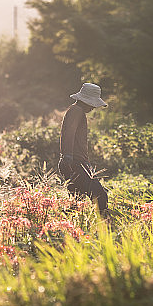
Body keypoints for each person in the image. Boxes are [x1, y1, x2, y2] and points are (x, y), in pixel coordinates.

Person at [58, 82, 109, 216]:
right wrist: (68, 156)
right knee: (100, 196)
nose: (93, 107)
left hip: (75, 161)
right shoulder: (76, 111)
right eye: (92, 104)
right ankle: (105, 225)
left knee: (76, 202)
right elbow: (69, 133)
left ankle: (63, 224)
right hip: (75, 162)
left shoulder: (76, 111)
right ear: (86, 101)